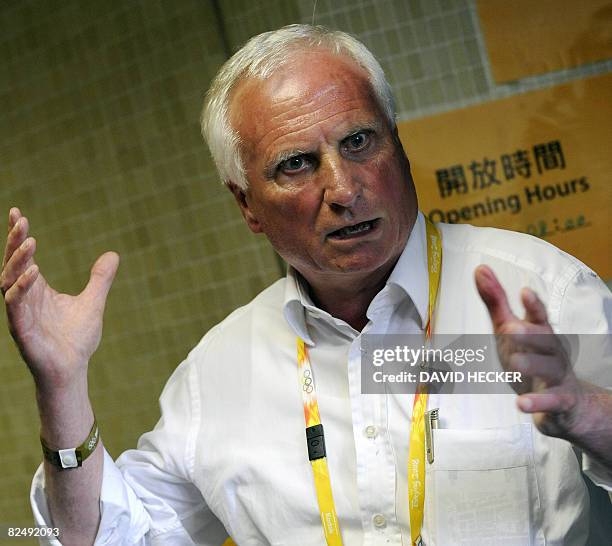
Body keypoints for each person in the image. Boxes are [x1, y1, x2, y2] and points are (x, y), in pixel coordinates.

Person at [2, 24, 611, 546]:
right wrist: (61, 387)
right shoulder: (218, 372)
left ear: (397, 144)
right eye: (296, 164)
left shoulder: (543, 292)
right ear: (247, 206)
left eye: (359, 142)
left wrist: (584, 411)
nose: (344, 190)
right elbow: (103, 537)